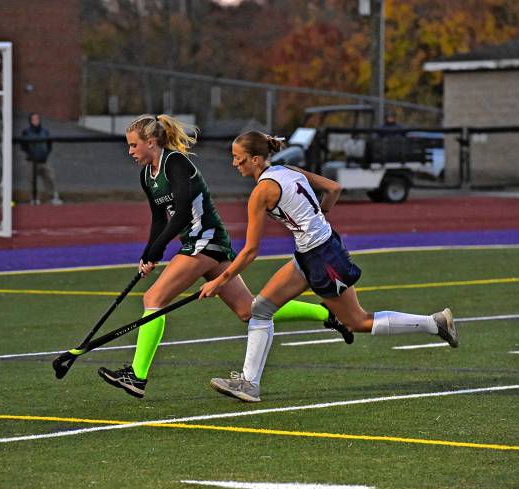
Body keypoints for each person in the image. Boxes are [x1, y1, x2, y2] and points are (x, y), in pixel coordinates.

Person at [98, 114, 353, 399]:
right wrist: (149, 253)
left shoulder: (177, 164)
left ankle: (137, 376)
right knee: (248, 310)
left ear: (151, 142)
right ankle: (329, 314)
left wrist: (158, 248)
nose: (130, 152)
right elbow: (160, 218)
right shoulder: (148, 175)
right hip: (201, 243)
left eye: (134, 145)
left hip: (205, 240)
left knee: (153, 299)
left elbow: (182, 212)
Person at [200, 131, 458, 403]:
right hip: (311, 252)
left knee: (357, 321)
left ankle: (435, 324)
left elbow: (251, 251)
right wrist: (318, 217)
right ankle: (249, 384)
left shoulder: (262, 191)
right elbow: (334, 188)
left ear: (254, 159)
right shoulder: (286, 169)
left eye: (238, 159)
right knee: (260, 310)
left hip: (323, 257)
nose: (234, 164)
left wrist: (219, 282)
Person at [21, 112, 62, 205]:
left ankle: (53, 197)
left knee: (50, 177)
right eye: (34, 119)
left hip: (44, 160)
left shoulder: (45, 131)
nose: (36, 121)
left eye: (37, 119)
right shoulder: (26, 132)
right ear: (30, 121)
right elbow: (23, 146)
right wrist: (30, 154)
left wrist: (45, 154)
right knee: (31, 180)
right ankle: (34, 198)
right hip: (32, 161)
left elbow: (49, 144)